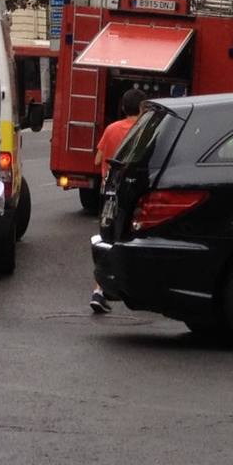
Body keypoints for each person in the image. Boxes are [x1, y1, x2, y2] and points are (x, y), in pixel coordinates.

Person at [90, 88, 147, 313]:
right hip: (134, 193)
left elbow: (97, 160)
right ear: (142, 108)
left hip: (109, 193)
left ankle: (99, 290)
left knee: (108, 239)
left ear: (123, 108)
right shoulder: (145, 130)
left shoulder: (111, 129)